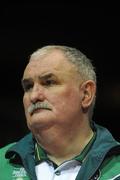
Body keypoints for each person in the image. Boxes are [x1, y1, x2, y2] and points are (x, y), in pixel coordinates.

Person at [0, 45, 120, 180]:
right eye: (28, 86)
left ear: (86, 94)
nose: (34, 96)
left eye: (49, 82)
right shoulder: (2, 163)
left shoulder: (117, 168)